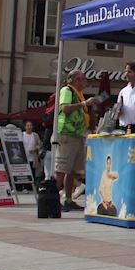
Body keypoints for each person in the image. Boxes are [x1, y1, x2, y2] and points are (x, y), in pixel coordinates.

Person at [53, 71, 91, 212]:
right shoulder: (67, 90)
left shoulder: (77, 92)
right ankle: (54, 199)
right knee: (62, 169)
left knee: (72, 170)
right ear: (77, 80)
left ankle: (68, 200)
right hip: (67, 134)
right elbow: (65, 108)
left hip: (76, 134)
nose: (85, 82)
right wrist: (84, 103)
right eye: (83, 79)